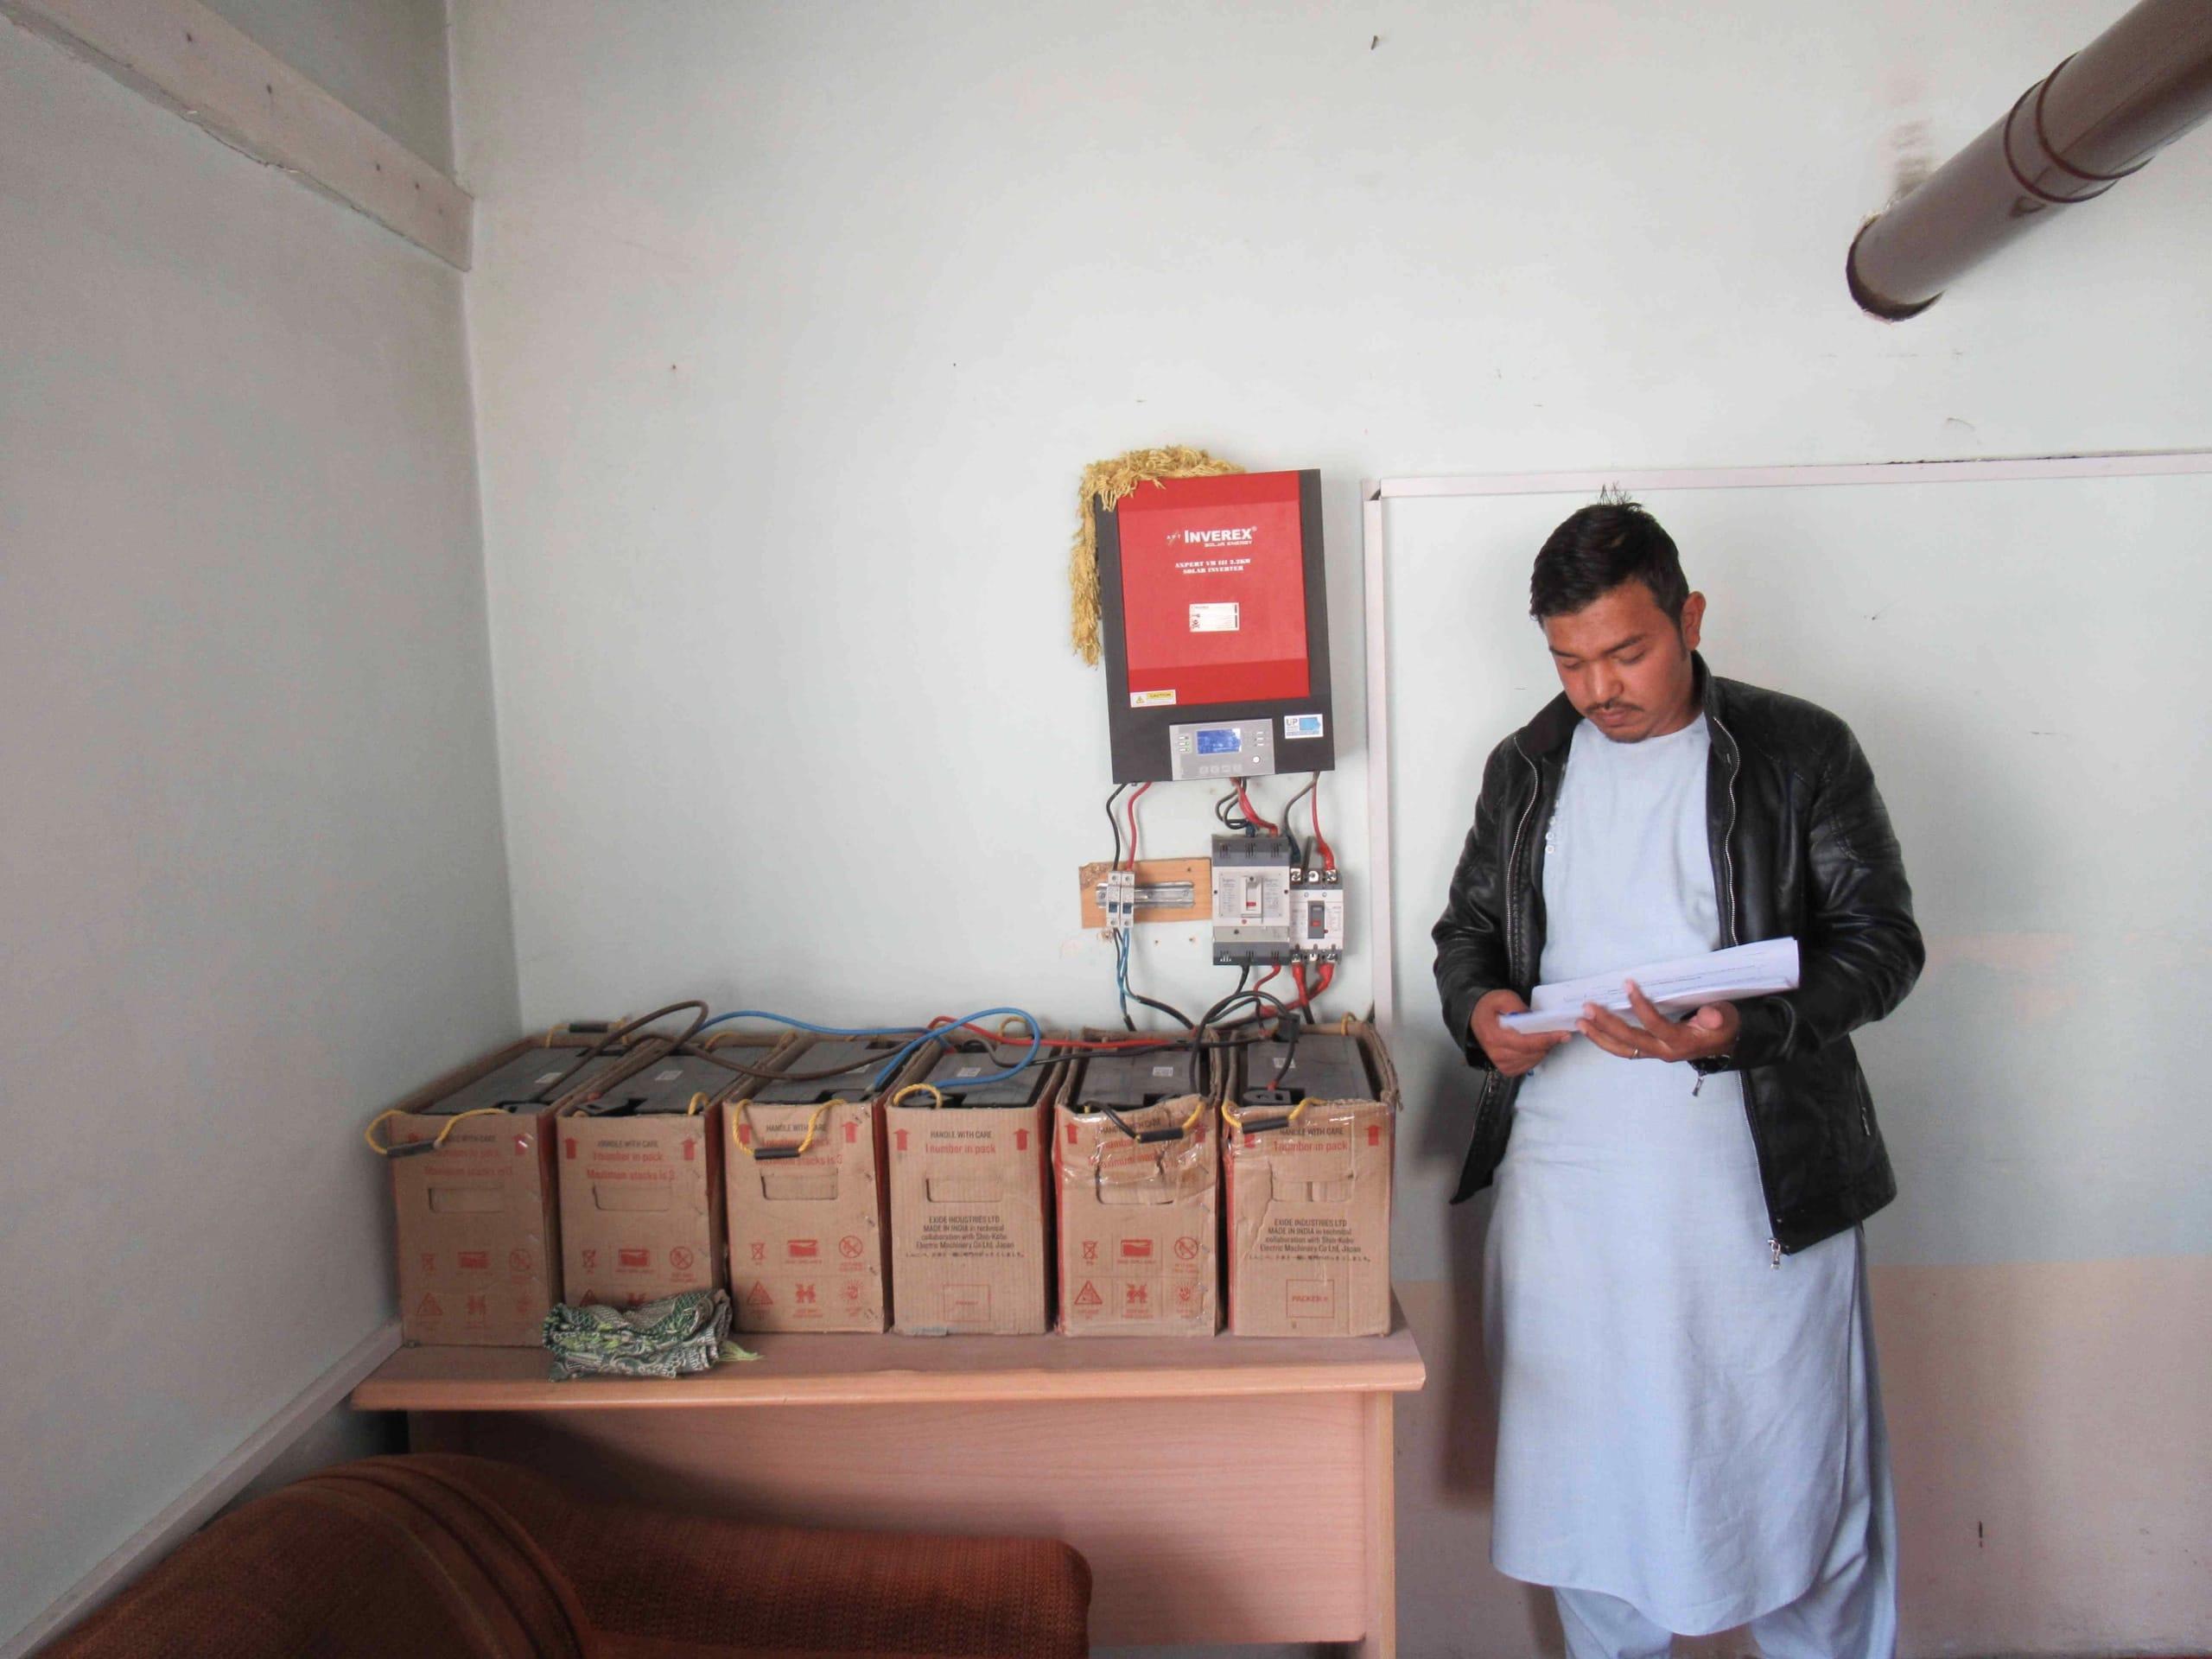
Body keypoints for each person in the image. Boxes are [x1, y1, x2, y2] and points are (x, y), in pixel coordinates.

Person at [1431, 499, 1923, 1659]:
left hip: (1759, 1195)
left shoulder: (1801, 750)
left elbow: (1882, 945)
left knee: (1796, 1483)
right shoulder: (1527, 766)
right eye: (1569, 660)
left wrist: (1736, 1031)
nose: (1599, 687)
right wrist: (1479, 1012)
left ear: (1689, 617)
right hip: (1571, 1200)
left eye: (1628, 651)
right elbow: (1470, 935)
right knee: (1594, 1491)